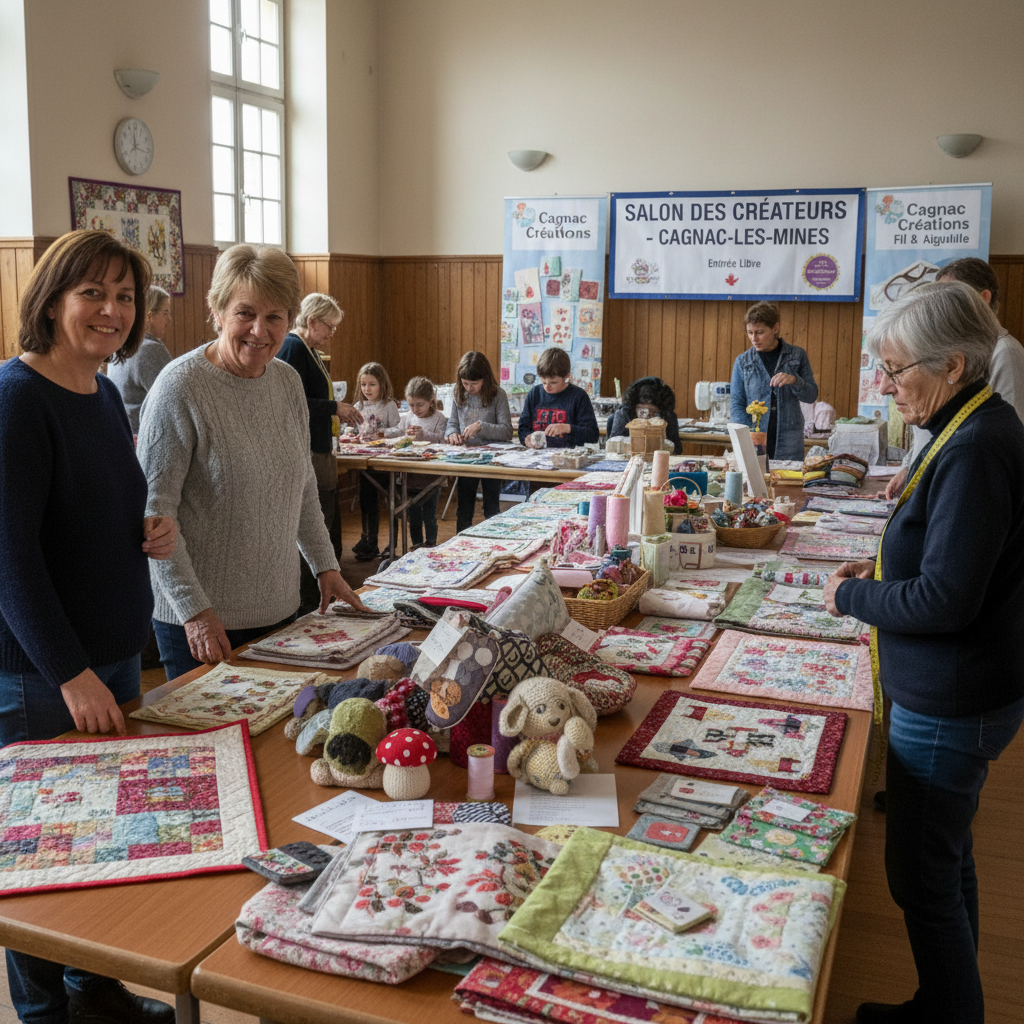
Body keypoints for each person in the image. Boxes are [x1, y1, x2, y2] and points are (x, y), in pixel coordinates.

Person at [822, 282, 1024, 1024]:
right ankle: (943, 999)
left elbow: (946, 599)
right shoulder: (973, 424)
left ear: (954, 366)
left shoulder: (975, 447)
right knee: (947, 857)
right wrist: (880, 575)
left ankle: (950, 1013)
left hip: (953, 698)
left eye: (895, 370)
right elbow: (952, 561)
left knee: (920, 878)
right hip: (962, 688)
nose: (885, 385)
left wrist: (852, 598)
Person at [0, 229, 178, 1024]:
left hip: (107, 658)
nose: (111, 311)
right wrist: (70, 674)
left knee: (97, 839)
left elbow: (89, 511)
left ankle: (91, 987)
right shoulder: (17, 399)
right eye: (92, 294)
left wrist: (147, 529)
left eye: (124, 295)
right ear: (52, 301)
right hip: (44, 675)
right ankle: (42, 1011)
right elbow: (9, 562)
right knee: (38, 855)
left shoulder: (102, 392)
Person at [137, 243, 366, 682]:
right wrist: (196, 612)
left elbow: (301, 489)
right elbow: (153, 516)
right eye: (245, 313)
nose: (259, 331)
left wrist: (327, 567)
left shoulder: (287, 381)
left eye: (274, 317)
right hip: (202, 619)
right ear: (217, 310)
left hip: (280, 607)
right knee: (212, 743)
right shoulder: (179, 388)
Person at [885, 257, 1024, 499]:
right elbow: (929, 431)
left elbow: (1008, 430)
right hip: (931, 475)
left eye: (950, 299)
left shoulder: (1005, 351)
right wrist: (910, 466)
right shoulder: (939, 354)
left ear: (982, 300)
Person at [276, 292, 364, 607]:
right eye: (329, 326)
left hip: (319, 447)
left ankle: (326, 584)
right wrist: (334, 407)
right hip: (308, 449)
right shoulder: (293, 347)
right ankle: (312, 595)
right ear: (312, 321)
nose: (331, 334)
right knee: (317, 522)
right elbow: (291, 402)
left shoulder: (309, 349)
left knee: (327, 519)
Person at [730, 301, 818, 461]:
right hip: (755, 439)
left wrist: (795, 380)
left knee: (788, 484)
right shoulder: (742, 361)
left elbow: (811, 395)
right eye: (750, 332)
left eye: (760, 332)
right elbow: (736, 404)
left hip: (789, 440)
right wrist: (747, 435)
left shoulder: (797, 355)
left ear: (775, 329)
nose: (754, 338)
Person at [445, 351, 512, 533]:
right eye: (465, 383)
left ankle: (493, 544)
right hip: (467, 458)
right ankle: (461, 546)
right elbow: (452, 423)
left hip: (492, 459)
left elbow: (507, 431)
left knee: (491, 508)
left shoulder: (498, 394)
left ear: (485, 379)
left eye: (474, 383)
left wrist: (481, 426)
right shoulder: (458, 392)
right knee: (464, 508)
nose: (469, 388)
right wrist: (452, 434)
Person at [105, 283, 173, 433]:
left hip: (124, 432)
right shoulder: (150, 349)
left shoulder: (120, 344)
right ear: (149, 316)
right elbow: (175, 401)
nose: (169, 319)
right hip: (145, 436)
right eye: (165, 312)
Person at [350, 361, 400, 561]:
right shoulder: (358, 406)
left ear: (382, 384)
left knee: (391, 502)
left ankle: (393, 543)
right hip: (365, 461)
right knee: (367, 501)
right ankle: (369, 542)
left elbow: (398, 429)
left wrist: (382, 433)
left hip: (385, 461)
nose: (367, 389)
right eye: (363, 385)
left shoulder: (388, 405)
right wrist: (350, 435)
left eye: (372, 384)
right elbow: (353, 430)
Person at [519, 347, 600, 448]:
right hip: (537, 454)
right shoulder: (534, 394)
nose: (547, 386)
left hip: (568, 456)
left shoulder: (578, 396)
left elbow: (593, 435)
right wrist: (526, 439)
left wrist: (567, 428)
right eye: (543, 381)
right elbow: (523, 429)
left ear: (567, 377)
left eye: (553, 382)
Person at [608, 375, 683, 454]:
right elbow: (613, 448)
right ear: (634, 408)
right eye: (642, 412)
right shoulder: (623, 414)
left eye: (653, 413)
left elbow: (677, 450)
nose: (646, 417)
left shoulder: (668, 416)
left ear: (661, 411)